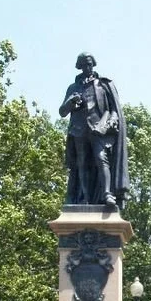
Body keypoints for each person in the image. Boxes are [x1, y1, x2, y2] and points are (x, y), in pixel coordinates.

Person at [59, 52, 129, 210]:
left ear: (93, 64)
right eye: (84, 65)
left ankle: (107, 194)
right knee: (81, 164)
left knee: (101, 158)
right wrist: (71, 102)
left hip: (99, 129)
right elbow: (62, 111)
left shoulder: (103, 84)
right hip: (79, 129)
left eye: (90, 64)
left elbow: (114, 110)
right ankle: (85, 198)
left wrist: (109, 124)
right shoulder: (73, 87)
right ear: (80, 67)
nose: (87, 67)